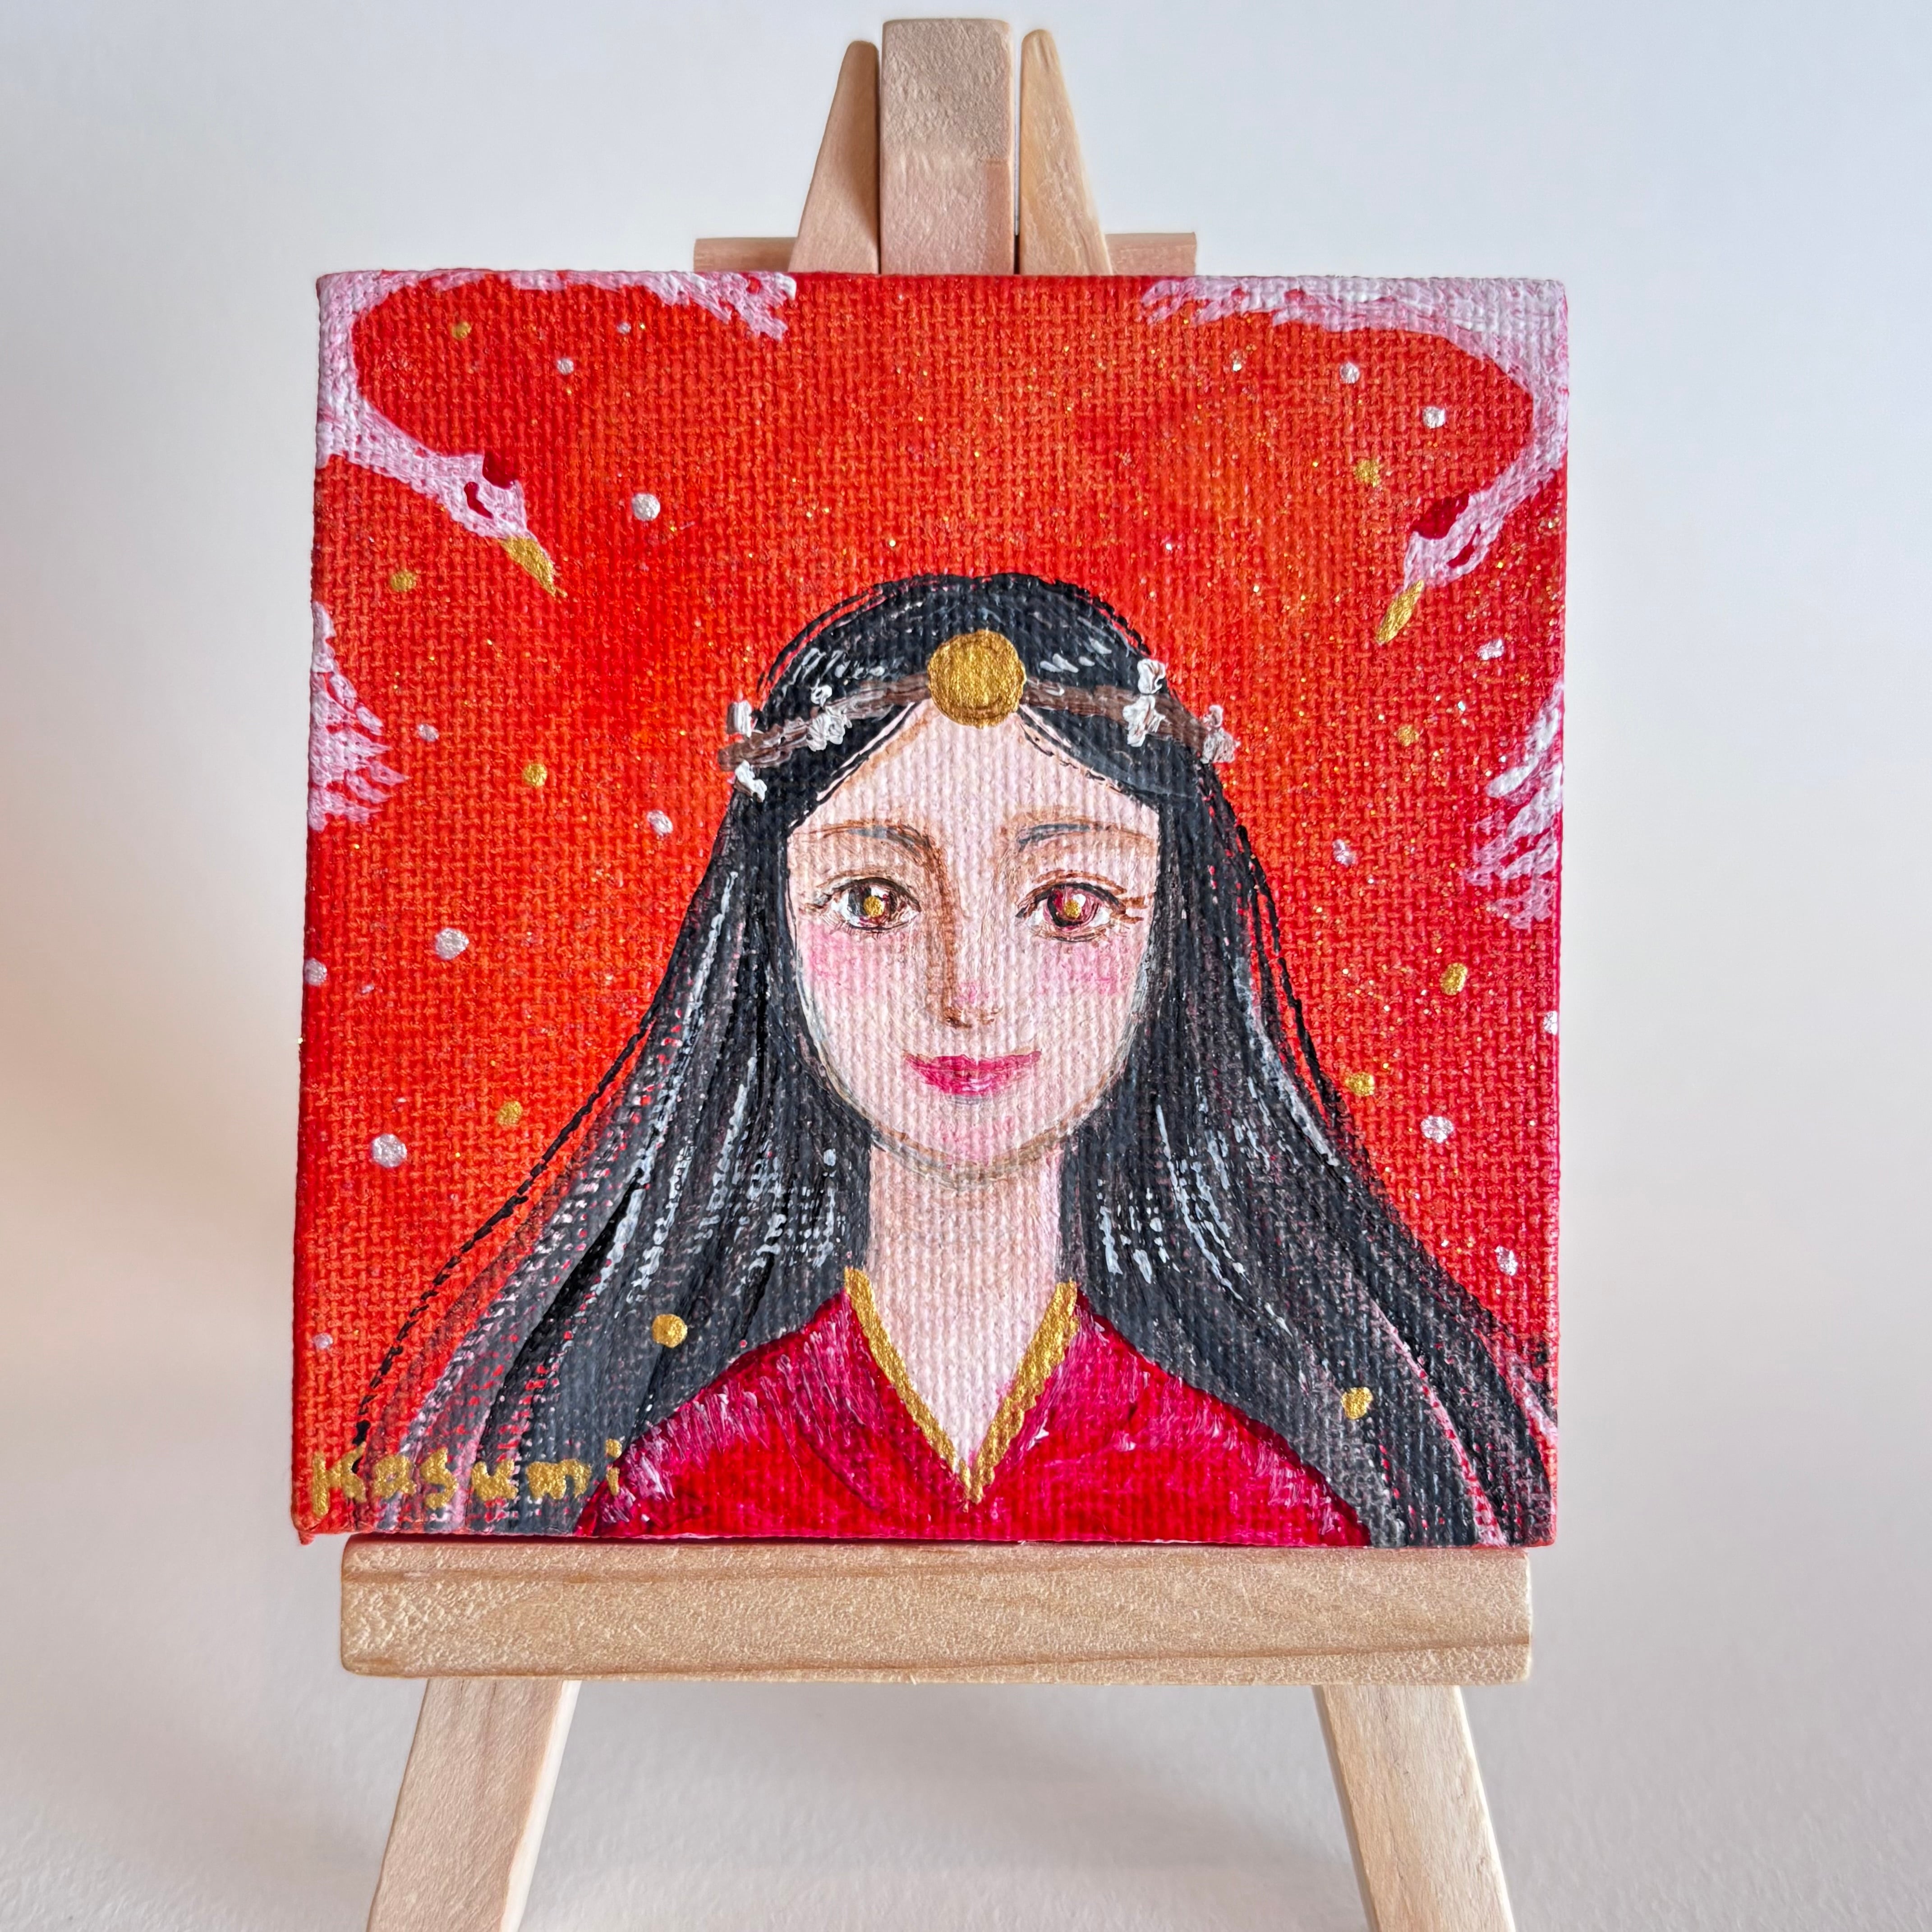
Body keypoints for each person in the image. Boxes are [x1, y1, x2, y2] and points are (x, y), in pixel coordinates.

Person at [357, 573, 1554, 1545]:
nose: (969, 993)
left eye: (1071, 904)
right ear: (770, 936)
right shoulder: (666, 1475)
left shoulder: (1284, 1488)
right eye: (873, 899)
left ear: (1173, 944)